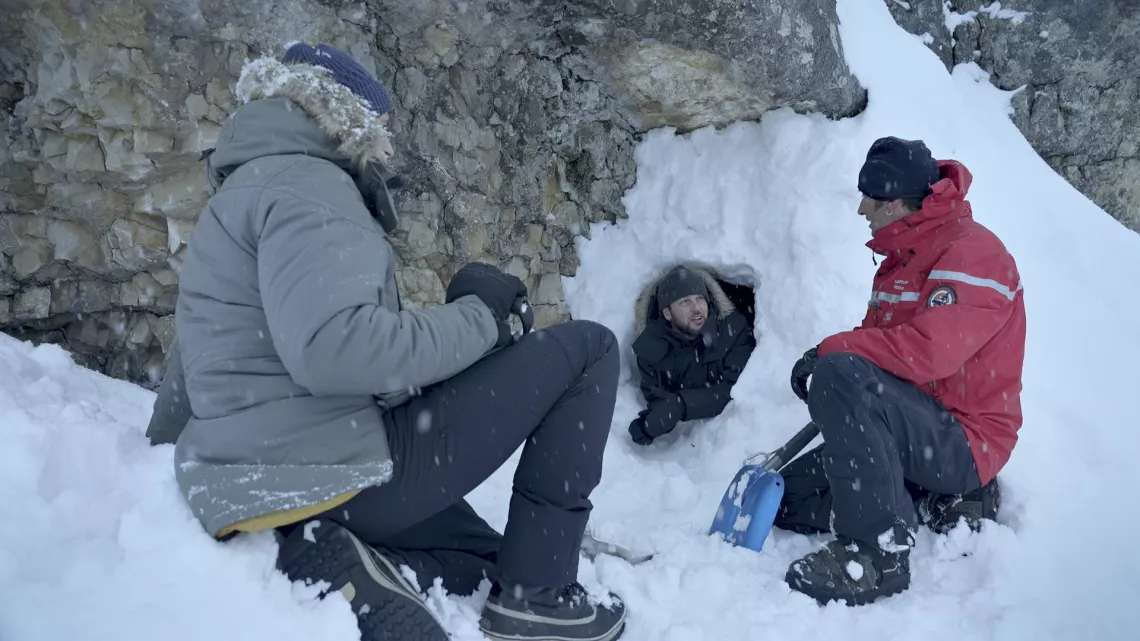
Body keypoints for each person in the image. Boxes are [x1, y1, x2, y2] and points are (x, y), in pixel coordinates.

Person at [145, 43, 627, 641]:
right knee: (589, 349)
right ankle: (540, 601)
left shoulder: (241, 193)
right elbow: (336, 349)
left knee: (488, 561)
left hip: (265, 480)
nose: (390, 146)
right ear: (346, 116)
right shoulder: (312, 185)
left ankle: (352, 559)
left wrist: (158, 456)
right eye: (381, 126)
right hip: (331, 473)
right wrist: (485, 323)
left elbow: (195, 354)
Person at [775, 137, 1025, 606]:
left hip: (965, 440)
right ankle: (926, 500)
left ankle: (875, 557)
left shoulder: (973, 254)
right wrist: (828, 352)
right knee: (787, 498)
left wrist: (833, 354)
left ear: (895, 202)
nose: (861, 209)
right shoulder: (902, 262)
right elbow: (881, 351)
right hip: (915, 428)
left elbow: (931, 353)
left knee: (841, 373)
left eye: (870, 197)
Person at [627, 263, 756, 445]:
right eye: (685, 302)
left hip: (734, 440)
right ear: (667, 313)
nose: (696, 308)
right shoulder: (650, 349)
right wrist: (652, 424)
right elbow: (658, 398)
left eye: (700, 299)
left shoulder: (733, 329)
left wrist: (682, 404)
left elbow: (735, 390)